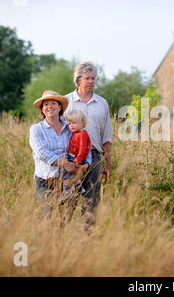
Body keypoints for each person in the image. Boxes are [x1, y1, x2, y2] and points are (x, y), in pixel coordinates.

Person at [29, 90, 92, 218]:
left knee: (65, 218)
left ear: (60, 107)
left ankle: (62, 238)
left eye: (53, 103)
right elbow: (41, 152)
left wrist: (84, 165)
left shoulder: (70, 127)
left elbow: (85, 147)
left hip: (70, 180)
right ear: (42, 109)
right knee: (48, 217)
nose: (49, 107)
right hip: (46, 180)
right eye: (45, 104)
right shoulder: (37, 129)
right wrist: (66, 163)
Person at [64, 61, 113, 226]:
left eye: (93, 78)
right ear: (78, 80)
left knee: (91, 202)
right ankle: (60, 239)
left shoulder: (102, 103)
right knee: (67, 200)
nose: (91, 81)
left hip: (94, 158)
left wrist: (108, 165)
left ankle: (87, 242)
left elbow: (106, 137)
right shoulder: (66, 102)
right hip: (71, 160)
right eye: (87, 78)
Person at [60, 109, 91, 201]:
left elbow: (83, 147)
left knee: (65, 172)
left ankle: (66, 191)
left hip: (77, 157)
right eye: (69, 124)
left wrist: (78, 159)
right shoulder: (76, 133)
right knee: (74, 172)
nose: (71, 125)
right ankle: (79, 186)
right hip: (74, 156)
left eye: (74, 123)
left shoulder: (82, 134)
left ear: (82, 123)